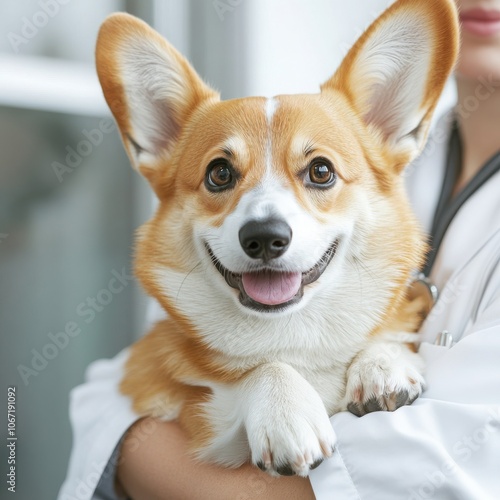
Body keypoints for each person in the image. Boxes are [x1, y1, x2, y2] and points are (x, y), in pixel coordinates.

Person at [59, 0, 500, 498]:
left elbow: (464, 465)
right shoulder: (208, 265)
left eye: (319, 172)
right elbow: (110, 397)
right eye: (222, 174)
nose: (265, 226)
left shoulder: (371, 144)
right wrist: (259, 385)